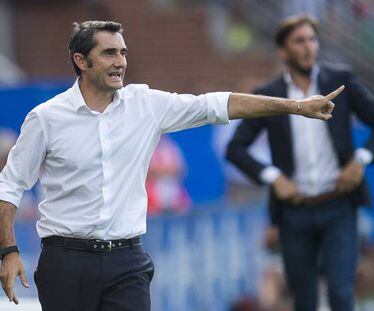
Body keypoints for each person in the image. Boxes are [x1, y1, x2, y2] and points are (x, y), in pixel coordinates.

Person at [0, 20, 342, 311]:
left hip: (127, 261)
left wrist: (295, 106)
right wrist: (9, 250)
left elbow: (218, 104)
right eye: (109, 53)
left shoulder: (146, 104)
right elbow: (11, 185)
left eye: (123, 53)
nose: (120, 61)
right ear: (81, 61)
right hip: (66, 261)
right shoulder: (46, 118)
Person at [226, 15, 374, 311]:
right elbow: (235, 148)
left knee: (342, 295)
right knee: (304, 301)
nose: (308, 47)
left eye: (312, 40)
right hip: (295, 212)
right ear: (283, 51)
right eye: (299, 41)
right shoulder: (271, 95)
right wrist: (272, 176)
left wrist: (361, 159)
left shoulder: (341, 83)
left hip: (339, 205)